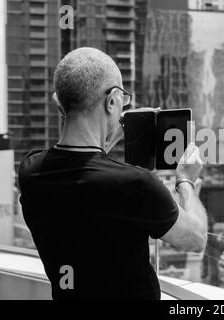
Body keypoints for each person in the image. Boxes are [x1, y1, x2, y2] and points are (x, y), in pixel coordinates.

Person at [18, 47, 208, 300]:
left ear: (58, 104)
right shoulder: (136, 184)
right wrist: (185, 179)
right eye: (122, 99)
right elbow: (196, 238)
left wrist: (114, 126)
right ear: (111, 100)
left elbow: (81, 164)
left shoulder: (31, 171)